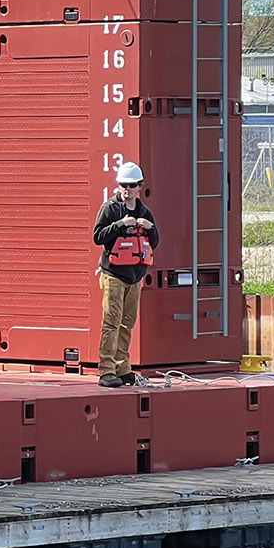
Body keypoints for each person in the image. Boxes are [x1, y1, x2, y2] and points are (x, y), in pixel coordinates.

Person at [93, 161, 158, 388]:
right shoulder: (110, 209)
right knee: (111, 321)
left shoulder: (144, 212)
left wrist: (150, 227)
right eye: (123, 185)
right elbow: (98, 236)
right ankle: (107, 370)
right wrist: (121, 224)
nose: (127, 189)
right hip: (114, 275)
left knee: (127, 323)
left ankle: (123, 368)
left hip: (135, 276)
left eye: (131, 185)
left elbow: (155, 242)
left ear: (140, 186)